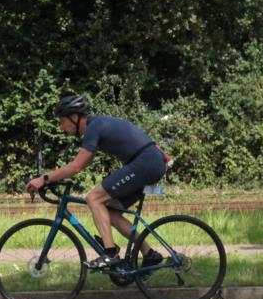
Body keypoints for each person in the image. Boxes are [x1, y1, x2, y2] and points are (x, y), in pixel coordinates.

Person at [25, 94, 167, 268]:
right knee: (111, 212)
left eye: (62, 121)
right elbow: (81, 165)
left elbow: (75, 167)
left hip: (145, 163)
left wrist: (44, 179)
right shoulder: (97, 126)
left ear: (75, 117)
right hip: (149, 163)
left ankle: (110, 253)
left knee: (93, 198)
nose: (61, 127)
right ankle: (149, 254)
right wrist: (51, 179)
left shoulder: (94, 127)